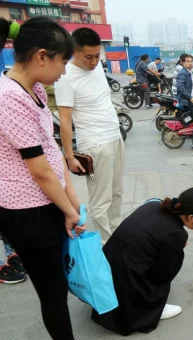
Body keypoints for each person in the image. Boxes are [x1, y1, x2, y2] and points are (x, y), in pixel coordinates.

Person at [0, 16, 115, 340]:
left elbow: (52, 150)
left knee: (57, 282)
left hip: (46, 202)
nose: (65, 70)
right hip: (25, 210)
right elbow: (40, 169)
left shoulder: (30, 92)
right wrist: (70, 211)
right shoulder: (7, 98)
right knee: (52, 288)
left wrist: (71, 198)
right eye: (63, 61)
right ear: (42, 56)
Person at [91, 188, 193, 336]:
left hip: (105, 273)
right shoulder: (175, 234)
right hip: (126, 288)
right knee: (173, 260)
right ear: (190, 217)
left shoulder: (154, 204)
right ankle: (151, 306)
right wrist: (177, 249)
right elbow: (162, 274)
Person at [55, 28, 125, 245]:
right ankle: (107, 247)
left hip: (115, 137)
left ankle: (117, 238)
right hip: (95, 144)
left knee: (117, 194)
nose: (94, 61)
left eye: (97, 56)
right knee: (100, 201)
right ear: (74, 52)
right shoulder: (65, 77)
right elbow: (65, 121)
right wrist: (69, 156)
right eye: (89, 57)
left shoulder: (96, 68)